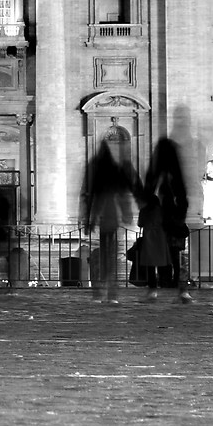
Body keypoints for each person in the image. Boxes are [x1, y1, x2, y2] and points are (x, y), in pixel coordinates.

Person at [81, 131, 138, 305]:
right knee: (111, 255)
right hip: (112, 215)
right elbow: (123, 194)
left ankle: (100, 289)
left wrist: (88, 218)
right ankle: (111, 291)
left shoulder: (95, 167)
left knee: (103, 254)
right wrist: (127, 213)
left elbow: (87, 193)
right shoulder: (114, 169)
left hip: (101, 214)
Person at [139, 136, 193, 303]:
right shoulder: (175, 174)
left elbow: (147, 195)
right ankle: (181, 291)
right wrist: (179, 217)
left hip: (164, 224)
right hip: (172, 223)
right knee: (177, 259)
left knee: (163, 259)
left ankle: (157, 290)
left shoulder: (157, 175)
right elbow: (183, 199)